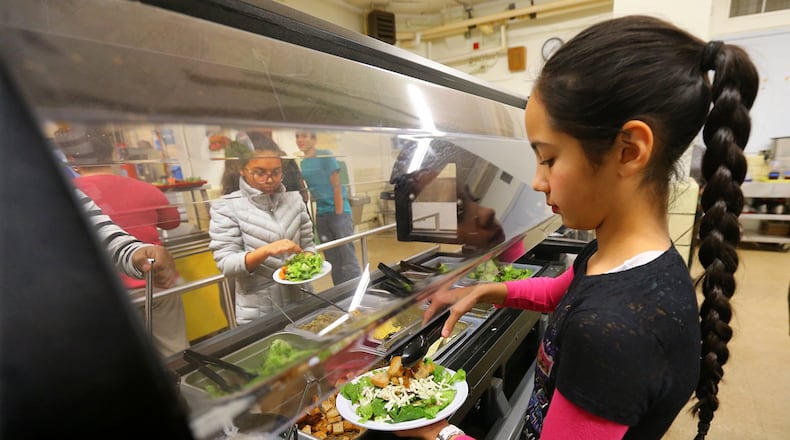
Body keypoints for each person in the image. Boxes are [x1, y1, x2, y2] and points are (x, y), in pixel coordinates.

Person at [409, 15, 758, 440]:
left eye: (549, 158)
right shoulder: (622, 261)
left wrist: (436, 434)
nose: (538, 181)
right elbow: (564, 291)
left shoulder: (613, 332)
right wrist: (486, 290)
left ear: (629, 151)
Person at [56, 127, 188, 357]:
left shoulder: (61, 195)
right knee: (176, 354)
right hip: (156, 282)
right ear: (115, 154)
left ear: (71, 160)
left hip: (106, 295)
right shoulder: (146, 188)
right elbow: (172, 222)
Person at [209, 137, 316, 325]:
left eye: (276, 172)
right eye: (259, 173)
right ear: (242, 170)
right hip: (259, 309)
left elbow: (308, 243)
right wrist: (265, 251)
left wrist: (308, 260)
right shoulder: (226, 207)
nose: (269, 180)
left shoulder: (294, 200)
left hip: (301, 298)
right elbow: (226, 263)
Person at [295, 130, 361, 285]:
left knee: (347, 255)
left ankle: (356, 290)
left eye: (304, 135)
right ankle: (340, 291)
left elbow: (337, 186)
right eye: (297, 137)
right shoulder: (303, 162)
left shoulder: (325, 155)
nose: (300, 139)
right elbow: (307, 189)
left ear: (314, 139)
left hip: (339, 212)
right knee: (331, 258)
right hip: (321, 214)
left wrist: (338, 214)